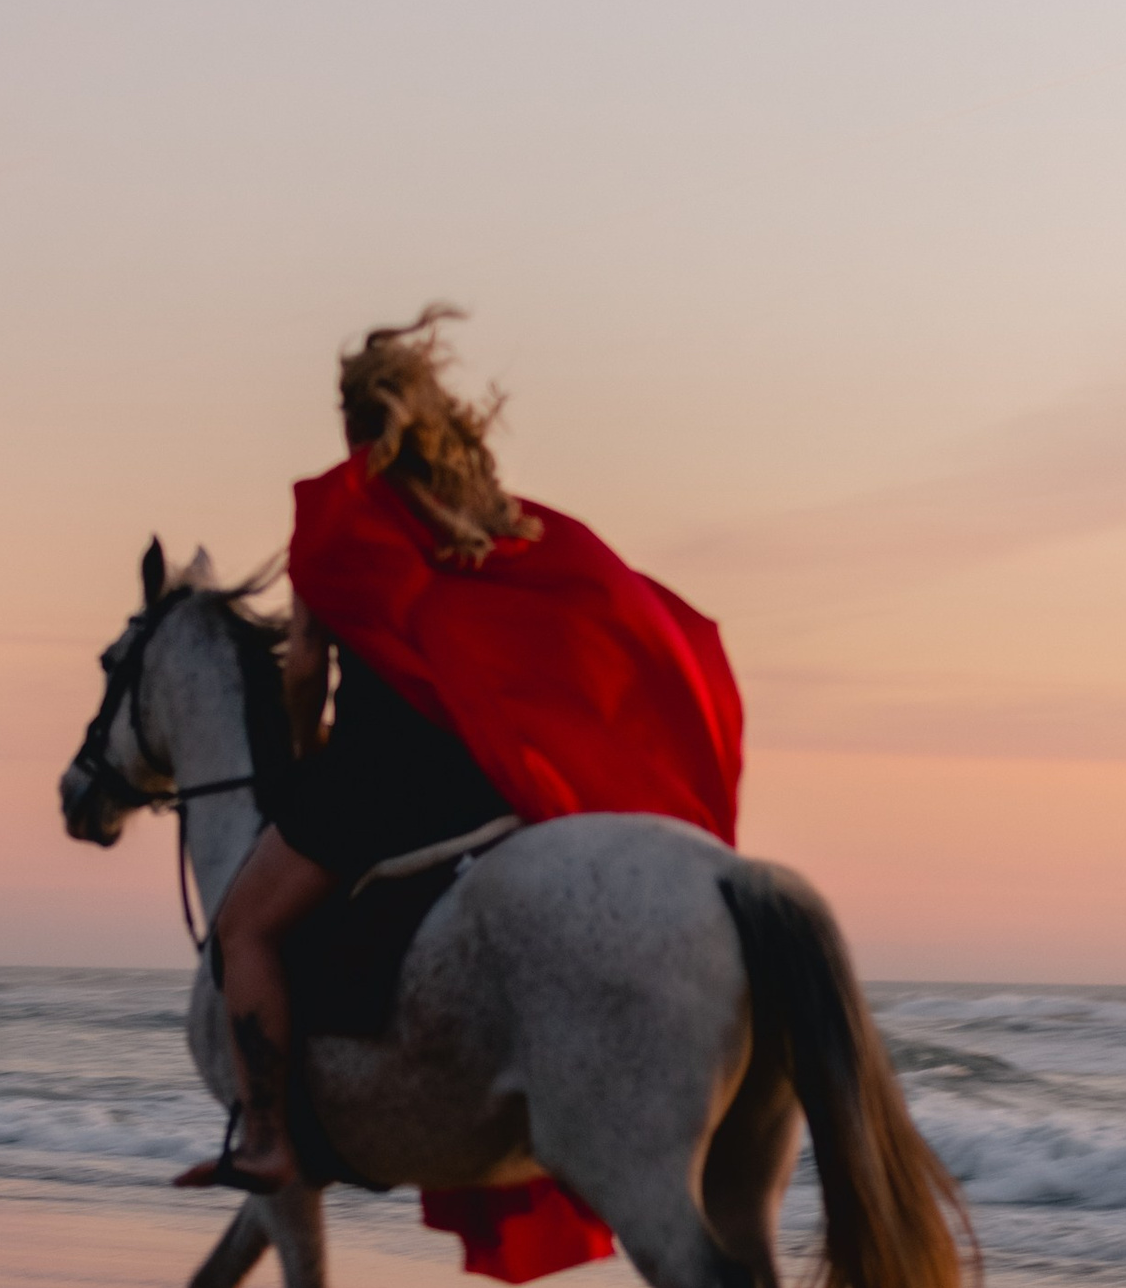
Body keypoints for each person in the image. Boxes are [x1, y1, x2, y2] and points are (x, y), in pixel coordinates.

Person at [195, 307, 745, 1193]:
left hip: (380, 776)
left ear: (350, 423)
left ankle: (266, 1136)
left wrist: (305, 757)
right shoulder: (480, 507)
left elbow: (302, 666)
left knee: (244, 926)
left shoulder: (336, 514)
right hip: (482, 775)